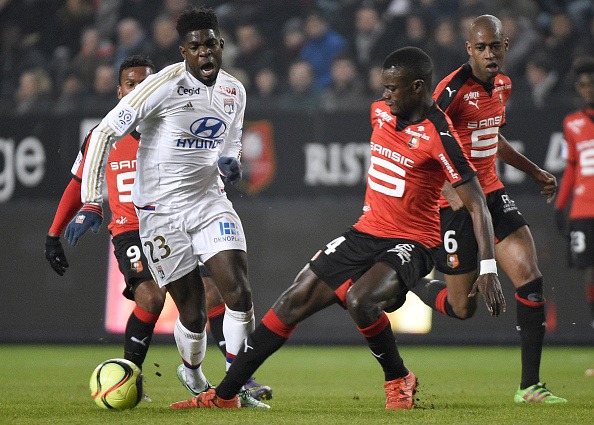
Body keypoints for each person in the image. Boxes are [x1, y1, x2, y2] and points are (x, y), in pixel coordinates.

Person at [169, 46, 505, 410]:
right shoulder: (379, 113)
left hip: (414, 242)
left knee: (361, 299)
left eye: (393, 87)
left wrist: (487, 268)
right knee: (291, 302)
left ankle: (398, 379)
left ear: (418, 88)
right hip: (364, 233)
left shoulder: (441, 134)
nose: (385, 94)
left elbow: (477, 204)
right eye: (384, 87)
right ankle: (225, 396)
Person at [61, 8, 269, 408]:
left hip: (209, 202)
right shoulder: (159, 86)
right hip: (159, 213)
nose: (205, 53)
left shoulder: (234, 91)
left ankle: (233, 386)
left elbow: (231, 140)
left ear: (221, 45)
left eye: (210, 44)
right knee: (191, 314)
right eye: (195, 47)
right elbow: (105, 131)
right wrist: (91, 201)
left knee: (239, 292)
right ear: (183, 52)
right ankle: (192, 373)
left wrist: (231, 160)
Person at [412, 15, 566, 403]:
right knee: (462, 307)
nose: (489, 54)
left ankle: (529, 387)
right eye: (481, 48)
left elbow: (490, 136)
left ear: (505, 46)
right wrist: (446, 185)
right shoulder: (452, 90)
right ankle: (413, 282)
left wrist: (532, 171)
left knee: (530, 277)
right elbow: (425, 136)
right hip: (457, 202)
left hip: (492, 192)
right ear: (469, 49)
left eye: (495, 46)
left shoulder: (503, 86)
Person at [554, 56, 594, 333]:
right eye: (582, 85)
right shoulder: (572, 123)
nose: (588, 89)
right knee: (590, 272)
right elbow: (571, 167)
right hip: (582, 210)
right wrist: (560, 207)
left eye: (592, 83)